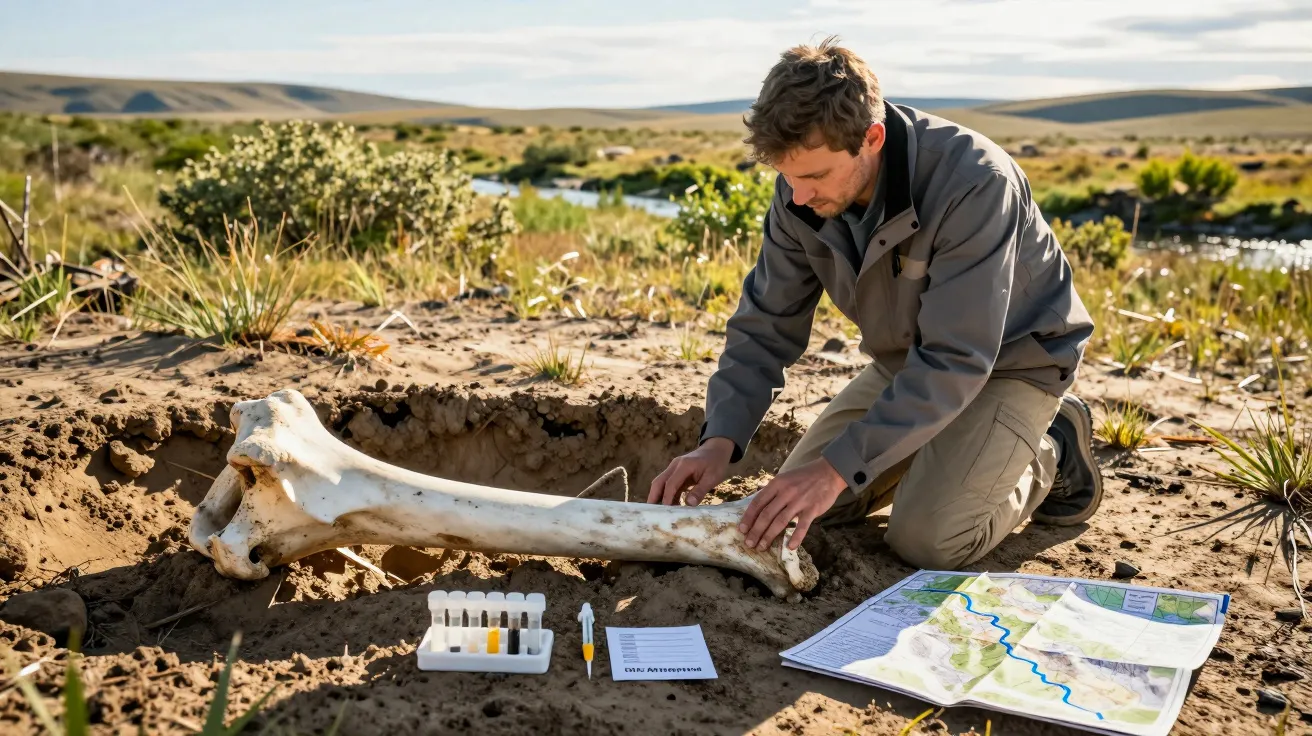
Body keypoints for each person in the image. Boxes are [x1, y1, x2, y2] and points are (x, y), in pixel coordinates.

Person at [647, 37, 1100, 571]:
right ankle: (948, 457)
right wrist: (719, 441)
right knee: (795, 513)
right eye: (786, 176)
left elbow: (957, 358)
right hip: (908, 365)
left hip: (1015, 362)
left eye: (814, 176)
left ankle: (1052, 448)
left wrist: (836, 467)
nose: (797, 196)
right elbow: (765, 325)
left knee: (928, 540)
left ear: (872, 138)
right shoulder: (799, 193)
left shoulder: (975, 182)